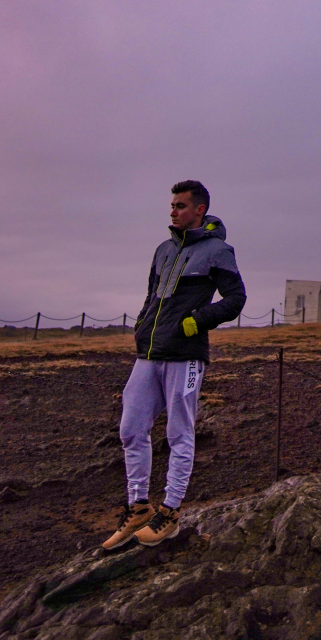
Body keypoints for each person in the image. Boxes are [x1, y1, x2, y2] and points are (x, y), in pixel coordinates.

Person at [102, 179, 247, 550]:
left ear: (199, 209)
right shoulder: (163, 250)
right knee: (130, 430)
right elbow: (151, 296)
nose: (173, 211)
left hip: (186, 356)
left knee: (179, 434)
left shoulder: (218, 250)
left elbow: (236, 299)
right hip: (149, 353)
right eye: (172, 205)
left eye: (181, 206)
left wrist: (197, 321)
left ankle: (169, 513)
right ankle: (138, 508)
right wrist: (141, 325)